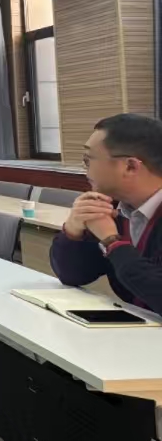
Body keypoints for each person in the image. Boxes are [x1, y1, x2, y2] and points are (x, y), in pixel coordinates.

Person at [50, 114, 162, 317]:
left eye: (88, 159)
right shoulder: (115, 208)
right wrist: (73, 232)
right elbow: (74, 275)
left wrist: (112, 241)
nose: (84, 169)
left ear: (130, 166)